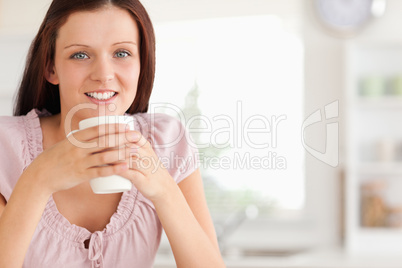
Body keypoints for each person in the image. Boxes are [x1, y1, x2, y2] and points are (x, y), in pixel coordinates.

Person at [0, 0, 225, 267]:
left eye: (121, 53)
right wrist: (37, 180)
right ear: (51, 68)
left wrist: (164, 189)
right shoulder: (5, 146)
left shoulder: (168, 141)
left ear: (142, 64)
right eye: (80, 55)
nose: (104, 75)